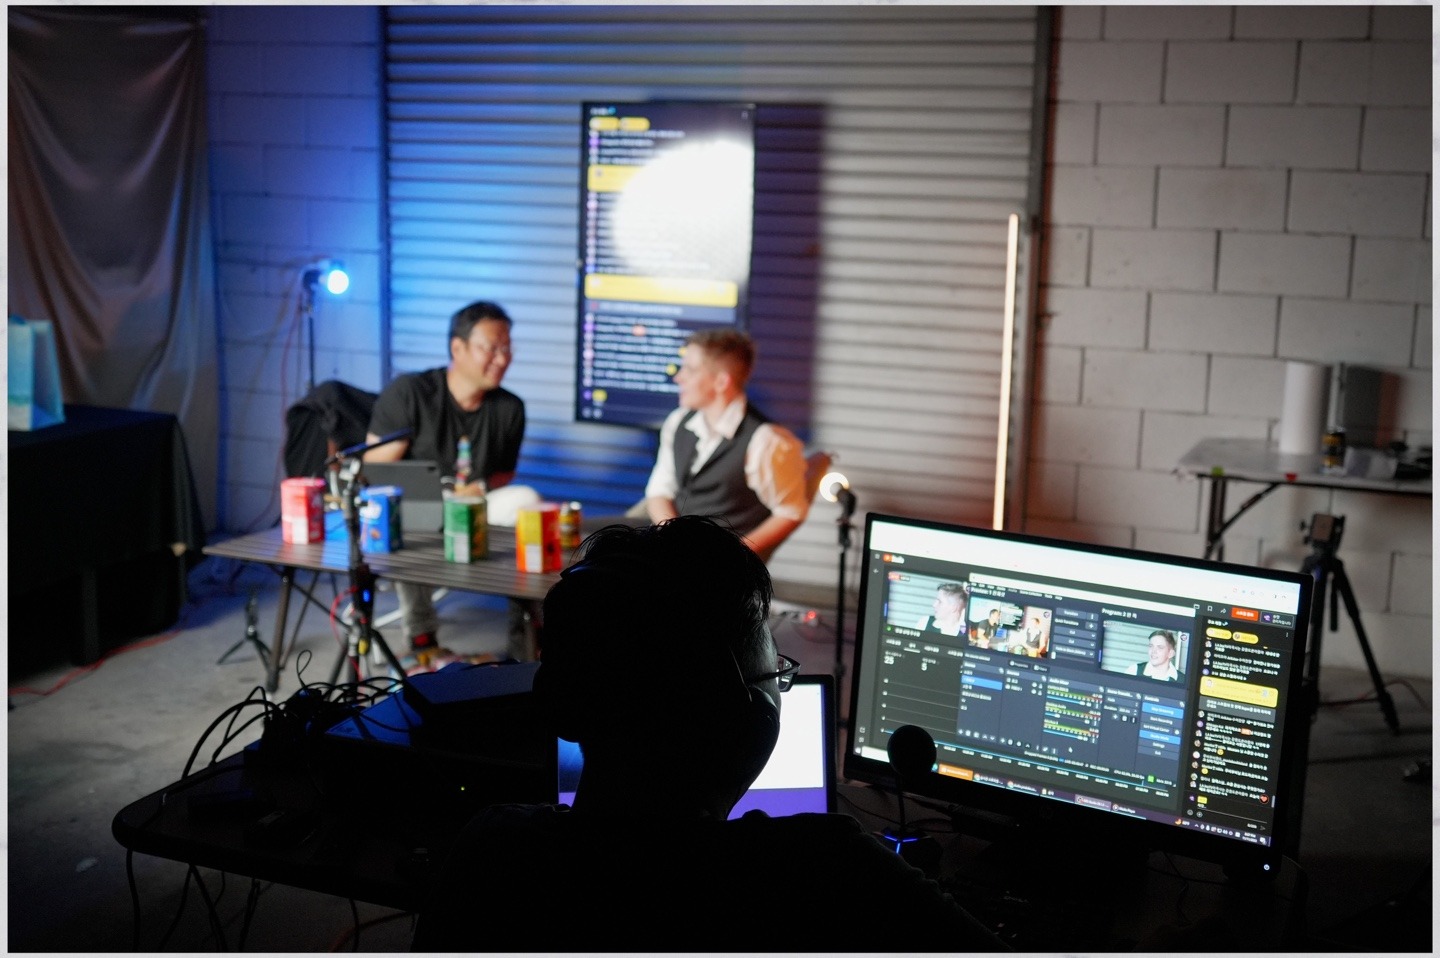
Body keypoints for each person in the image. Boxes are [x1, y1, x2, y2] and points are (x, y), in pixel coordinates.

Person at [413, 516, 1003, 953]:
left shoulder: (493, 852)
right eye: (775, 675)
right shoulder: (830, 871)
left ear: (559, 702)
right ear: (746, 714)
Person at [363, 301, 525, 670]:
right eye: (492, 348)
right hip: (418, 507)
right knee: (406, 517)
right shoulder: (410, 392)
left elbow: (505, 475)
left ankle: (526, 641)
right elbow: (375, 470)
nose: (502, 358)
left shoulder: (510, 408)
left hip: (476, 504)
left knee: (526, 502)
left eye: (507, 348)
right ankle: (422, 641)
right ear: (458, 347)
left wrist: (476, 488)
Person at [644, 329, 809, 562]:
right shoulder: (678, 420)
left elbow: (790, 512)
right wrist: (673, 542)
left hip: (718, 563)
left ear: (721, 381)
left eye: (690, 369)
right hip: (673, 546)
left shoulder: (767, 441)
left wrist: (732, 558)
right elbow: (659, 491)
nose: (678, 377)